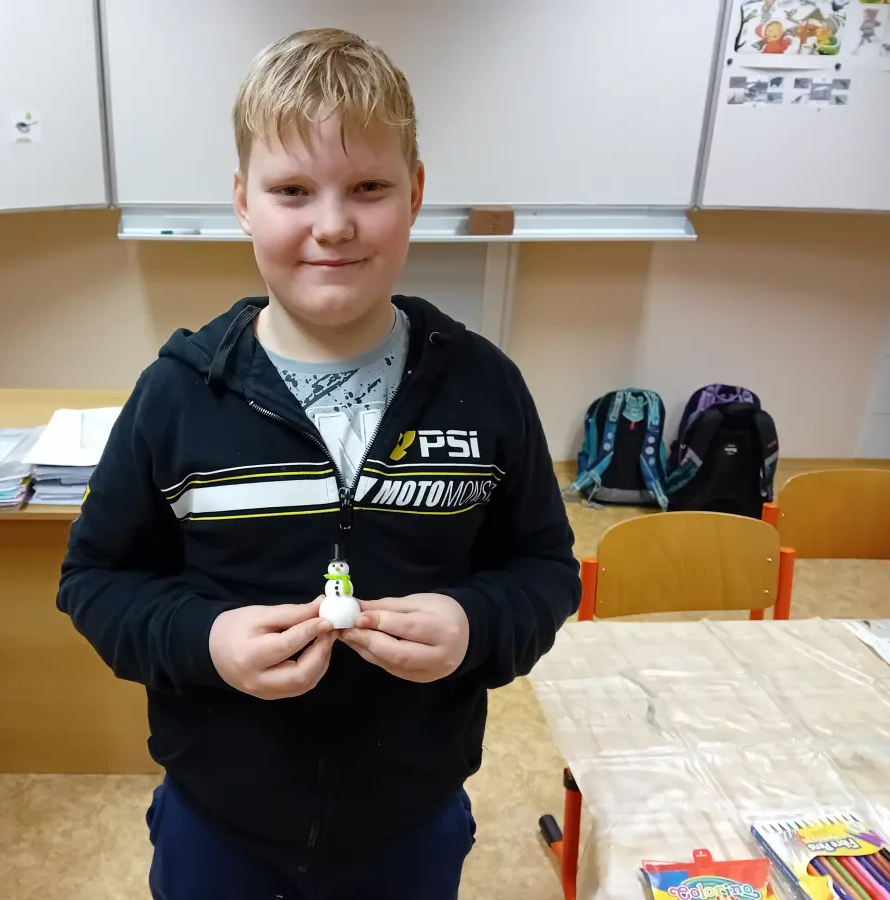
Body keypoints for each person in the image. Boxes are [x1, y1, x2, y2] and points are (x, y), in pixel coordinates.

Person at [57, 27, 579, 900]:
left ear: (414, 193)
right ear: (243, 201)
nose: (332, 225)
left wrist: (473, 626)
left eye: (368, 187)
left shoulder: (482, 386)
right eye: (292, 190)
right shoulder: (178, 393)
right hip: (219, 815)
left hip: (410, 813)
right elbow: (97, 580)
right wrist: (206, 640)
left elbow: (544, 569)